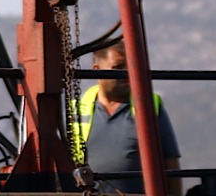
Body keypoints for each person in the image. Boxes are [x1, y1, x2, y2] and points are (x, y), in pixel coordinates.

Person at [76, 41, 181, 181]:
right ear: (97, 69)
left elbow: (170, 162)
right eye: (118, 67)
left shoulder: (149, 105)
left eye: (130, 67)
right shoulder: (77, 110)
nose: (127, 74)